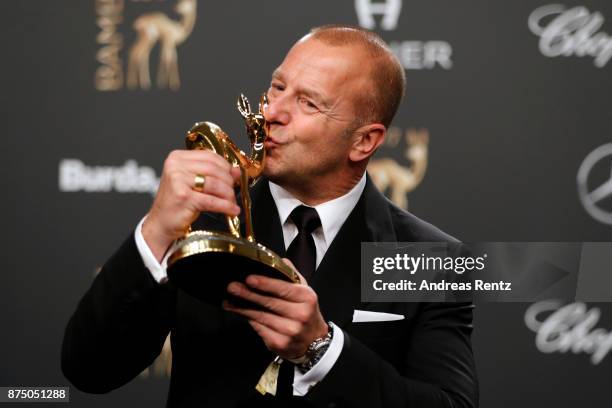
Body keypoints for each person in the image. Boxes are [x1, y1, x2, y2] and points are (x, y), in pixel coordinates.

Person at [62, 25, 478, 408]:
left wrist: (322, 351)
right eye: (277, 87)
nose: (271, 112)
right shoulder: (204, 222)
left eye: (307, 102)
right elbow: (89, 369)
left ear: (364, 141)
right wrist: (156, 230)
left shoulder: (430, 259)